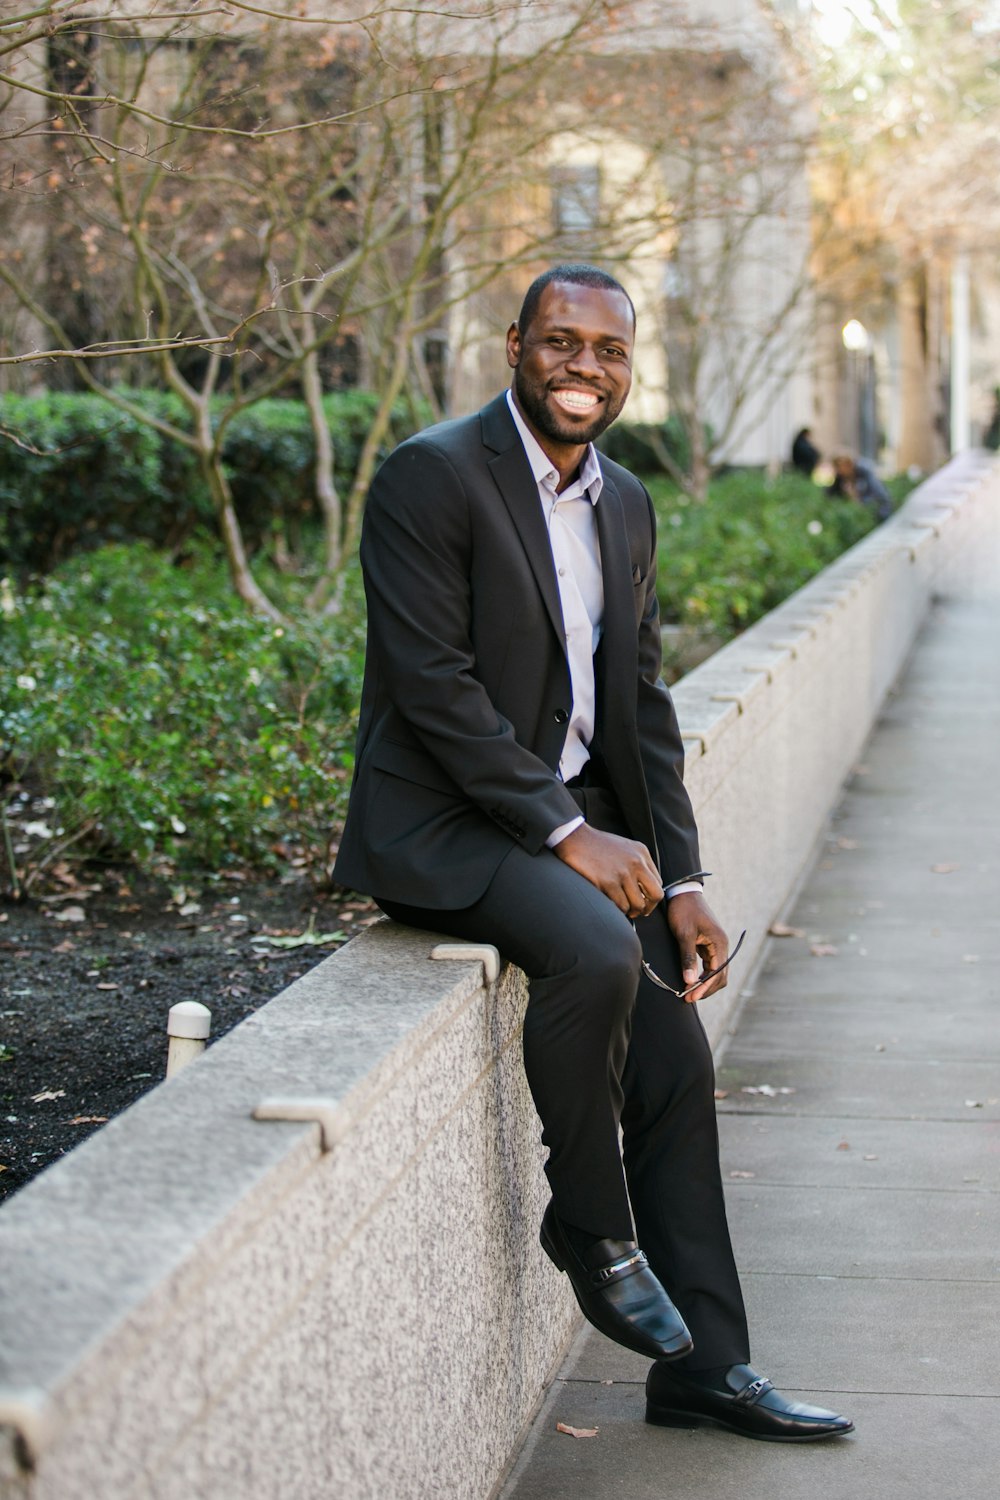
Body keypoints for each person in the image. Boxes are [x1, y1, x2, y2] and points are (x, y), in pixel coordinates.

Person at [334, 264, 853, 1442]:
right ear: (514, 344)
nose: (584, 367)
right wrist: (569, 833)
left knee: (670, 1046)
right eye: (561, 342)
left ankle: (707, 1369)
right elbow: (431, 688)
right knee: (593, 957)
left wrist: (680, 878)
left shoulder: (623, 502)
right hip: (444, 820)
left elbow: (641, 704)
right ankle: (589, 1220)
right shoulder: (431, 477)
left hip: (573, 817)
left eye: (608, 351)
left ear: (630, 367)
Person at [828, 454, 892, 522]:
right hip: (856, 514)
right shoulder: (840, 479)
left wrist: (854, 497)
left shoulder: (865, 475)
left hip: (875, 513)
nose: (839, 472)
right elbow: (830, 496)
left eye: (840, 468)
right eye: (837, 468)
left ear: (849, 465)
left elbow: (882, 497)